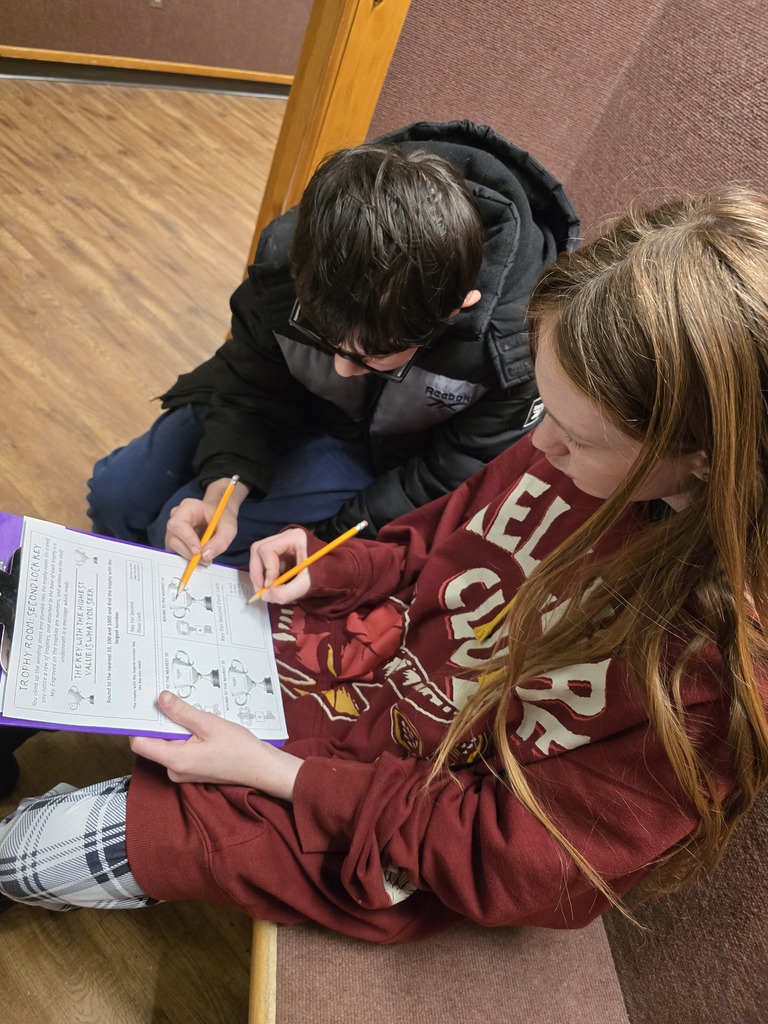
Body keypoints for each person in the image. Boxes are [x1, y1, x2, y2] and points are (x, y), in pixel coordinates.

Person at [3, 187, 768, 939]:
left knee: (29, 855)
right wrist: (329, 569)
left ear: (703, 457)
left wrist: (275, 775)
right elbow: (426, 544)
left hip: (386, 816)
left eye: (578, 437)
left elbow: (526, 864)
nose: (539, 452)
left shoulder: (713, 675)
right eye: (544, 412)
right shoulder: (565, 454)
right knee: (38, 614)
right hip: (350, 660)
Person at [85, 119, 579, 567]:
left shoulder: (516, 344)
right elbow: (253, 381)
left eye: (373, 355)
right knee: (114, 495)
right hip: (288, 401)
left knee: (182, 533)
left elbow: (445, 475)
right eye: (327, 340)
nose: (343, 368)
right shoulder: (293, 261)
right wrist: (225, 487)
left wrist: (327, 542)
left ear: (457, 307)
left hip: (381, 454)